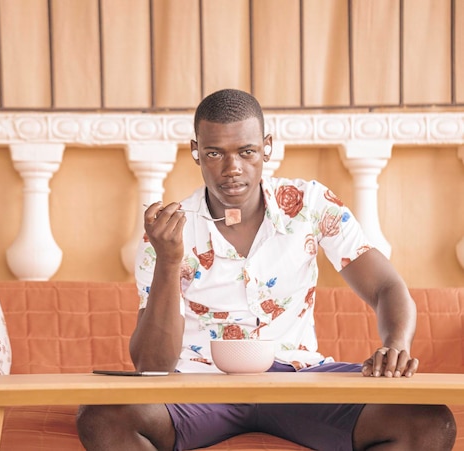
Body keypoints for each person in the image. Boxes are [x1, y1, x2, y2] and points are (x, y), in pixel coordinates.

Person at [76, 89, 456, 450]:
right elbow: (151, 366)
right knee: (102, 417)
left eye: (246, 151)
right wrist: (170, 260)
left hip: (298, 379)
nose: (232, 169)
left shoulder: (309, 204)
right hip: (196, 384)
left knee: (429, 423)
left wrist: (396, 345)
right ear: (195, 152)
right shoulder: (168, 231)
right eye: (214, 153)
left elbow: (387, 286)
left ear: (267, 148)